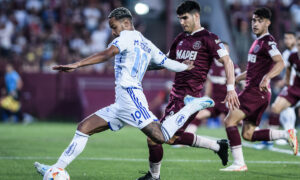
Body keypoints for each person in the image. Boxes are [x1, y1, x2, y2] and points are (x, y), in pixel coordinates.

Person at [33, 7, 215, 177]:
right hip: (121, 102)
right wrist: (183, 67)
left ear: (126, 23)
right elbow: (166, 62)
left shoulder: (126, 36)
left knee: (160, 136)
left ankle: (193, 106)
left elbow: (107, 53)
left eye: (114, 27)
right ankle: (56, 169)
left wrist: (77, 64)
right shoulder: (146, 43)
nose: (113, 32)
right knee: (84, 128)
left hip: (131, 97)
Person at [137, 1, 240, 179]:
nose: (182, 22)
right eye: (180, 19)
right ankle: (218, 146)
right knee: (172, 138)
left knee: (155, 137)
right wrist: (142, 67)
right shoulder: (180, 38)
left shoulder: (210, 38)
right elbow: (165, 62)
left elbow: (228, 61)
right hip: (174, 98)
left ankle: (154, 176)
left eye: (185, 18)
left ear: (196, 16)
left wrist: (231, 89)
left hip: (189, 100)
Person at [220, 7, 298, 172]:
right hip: (256, 92)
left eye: (259, 20)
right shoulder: (257, 42)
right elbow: (252, 72)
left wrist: (268, 77)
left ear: (268, 23)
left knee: (229, 121)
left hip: (255, 93)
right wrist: (234, 79)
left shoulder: (268, 41)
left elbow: (280, 62)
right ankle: (286, 134)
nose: (255, 23)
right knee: (248, 135)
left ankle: (239, 163)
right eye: (254, 20)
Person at [185, 42, 241, 133]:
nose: (224, 52)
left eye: (226, 50)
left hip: (229, 102)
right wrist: (206, 97)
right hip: (215, 102)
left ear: (229, 52)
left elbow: (240, 82)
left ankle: (261, 138)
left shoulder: (233, 66)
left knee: (241, 120)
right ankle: (186, 138)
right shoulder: (211, 66)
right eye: (222, 50)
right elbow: (209, 83)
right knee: (198, 115)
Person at [254, 32, 298, 149]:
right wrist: (285, 82)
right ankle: (276, 138)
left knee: (286, 111)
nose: (287, 40)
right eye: (286, 38)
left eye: (290, 38)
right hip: (293, 88)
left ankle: (287, 134)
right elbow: (287, 70)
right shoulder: (289, 54)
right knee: (277, 108)